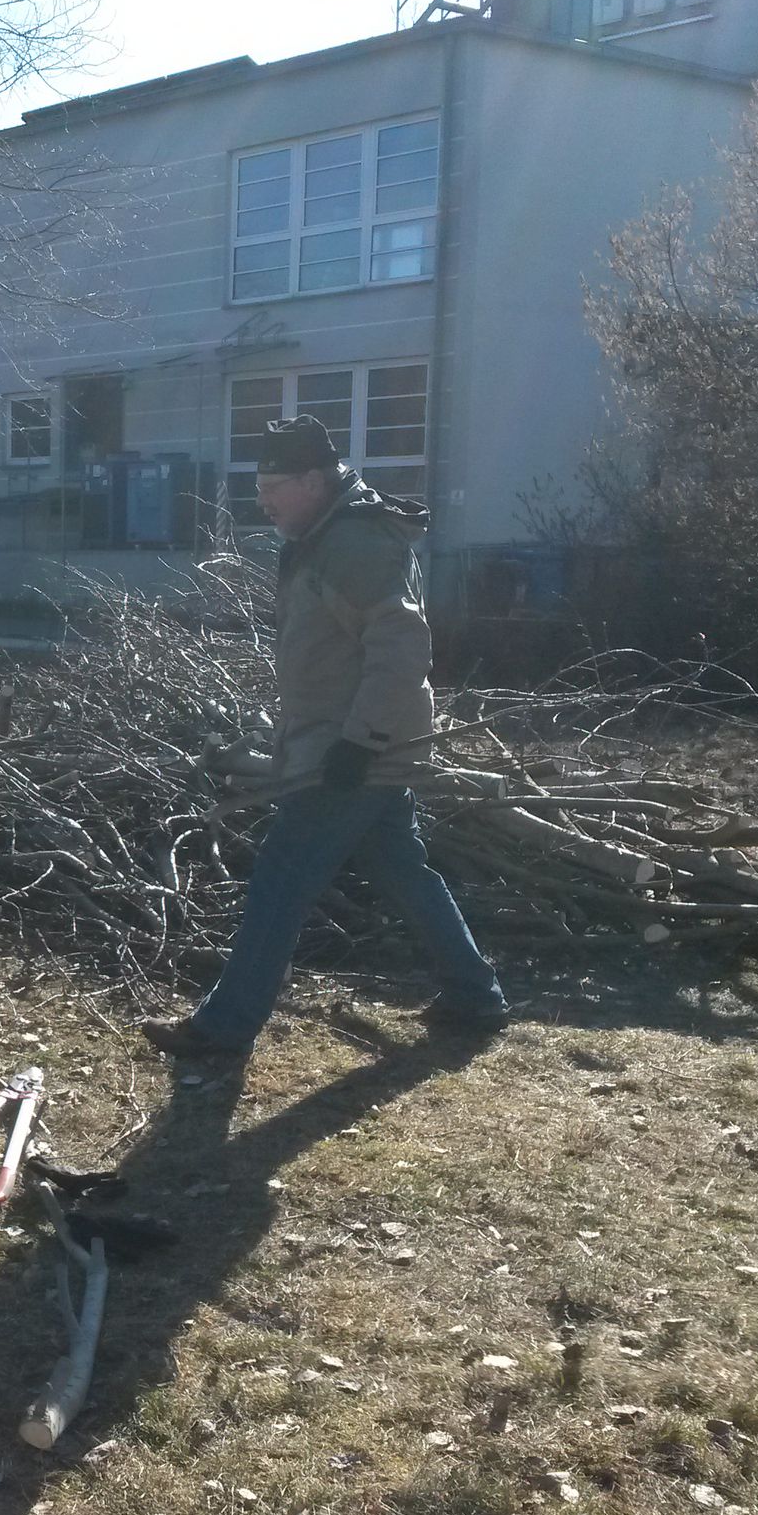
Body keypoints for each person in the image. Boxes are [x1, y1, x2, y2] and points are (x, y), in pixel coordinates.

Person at [142, 415, 506, 1060]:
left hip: (352, 752)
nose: (264, 499)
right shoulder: (328, 535)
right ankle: (476, 996)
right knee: (404, 870)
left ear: (313, 480)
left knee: (280, 881)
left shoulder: (354, 544)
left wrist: (359, 743)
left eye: (273, 485)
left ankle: (223, 1028)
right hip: (352, 746)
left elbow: (401, 647)